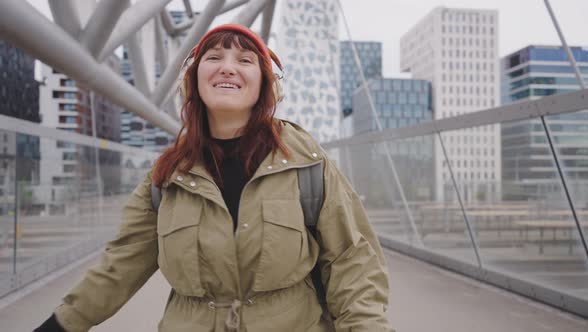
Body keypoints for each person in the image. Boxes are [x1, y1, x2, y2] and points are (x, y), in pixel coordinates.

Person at [35, 24, 393, 332]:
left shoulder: (306, 164)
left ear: (264, 85)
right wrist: (61, 323)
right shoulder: (166, 178)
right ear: (194, 79)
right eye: (214, 58)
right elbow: (121, 264)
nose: (228, 68)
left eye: (245, 60)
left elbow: (352, 262)